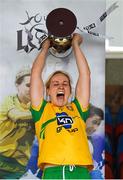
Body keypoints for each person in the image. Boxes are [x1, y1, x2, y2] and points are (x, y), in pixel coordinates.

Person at [30, 33, 93, 179]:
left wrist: (76, 44)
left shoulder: (78, 108)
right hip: (55, 173)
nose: (61, 87)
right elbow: (35, 74)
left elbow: (85, 75)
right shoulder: (42, 110)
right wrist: (45, 47)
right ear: (48, 91)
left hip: (82, 173)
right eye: (55, 84)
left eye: (65, 84)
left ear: (71, 91)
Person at [0, 66, 35, 179]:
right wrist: (42, 114)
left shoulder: (38, 107)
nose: (32, 89)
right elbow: (17, 116)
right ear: (17, 85)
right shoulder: (9, 100)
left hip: (17, 167)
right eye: (28, 85)